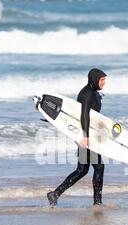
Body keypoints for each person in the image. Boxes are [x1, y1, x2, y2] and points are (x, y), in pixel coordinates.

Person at [47, 68, 107, 207]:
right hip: (84, 135)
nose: (104, 83)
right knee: (98, 167)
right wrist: (85, 136)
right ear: (94, 79)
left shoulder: (94, 93)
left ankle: (55, 194)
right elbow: (84, 115)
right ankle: (97, 202)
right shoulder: (86, 94)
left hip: (87, 134)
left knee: (82, 170)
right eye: (102, 80)